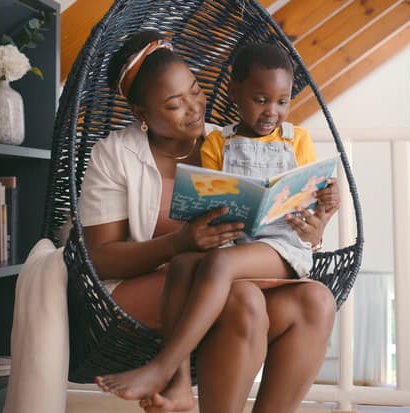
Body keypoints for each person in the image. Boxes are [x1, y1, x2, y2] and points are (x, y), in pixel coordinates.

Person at [81, 30, 339, 413]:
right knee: (242, 296)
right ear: (142, 115)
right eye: (174, 103)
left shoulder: (227, 143)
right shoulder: (114, 154)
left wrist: (315, 232)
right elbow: (99, 258)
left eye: (195, 89)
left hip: (228, 272)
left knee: (317, 300)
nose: (194, 108)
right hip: (152, 284)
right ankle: (173, 377)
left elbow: (281, 221)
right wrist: (178, 243)